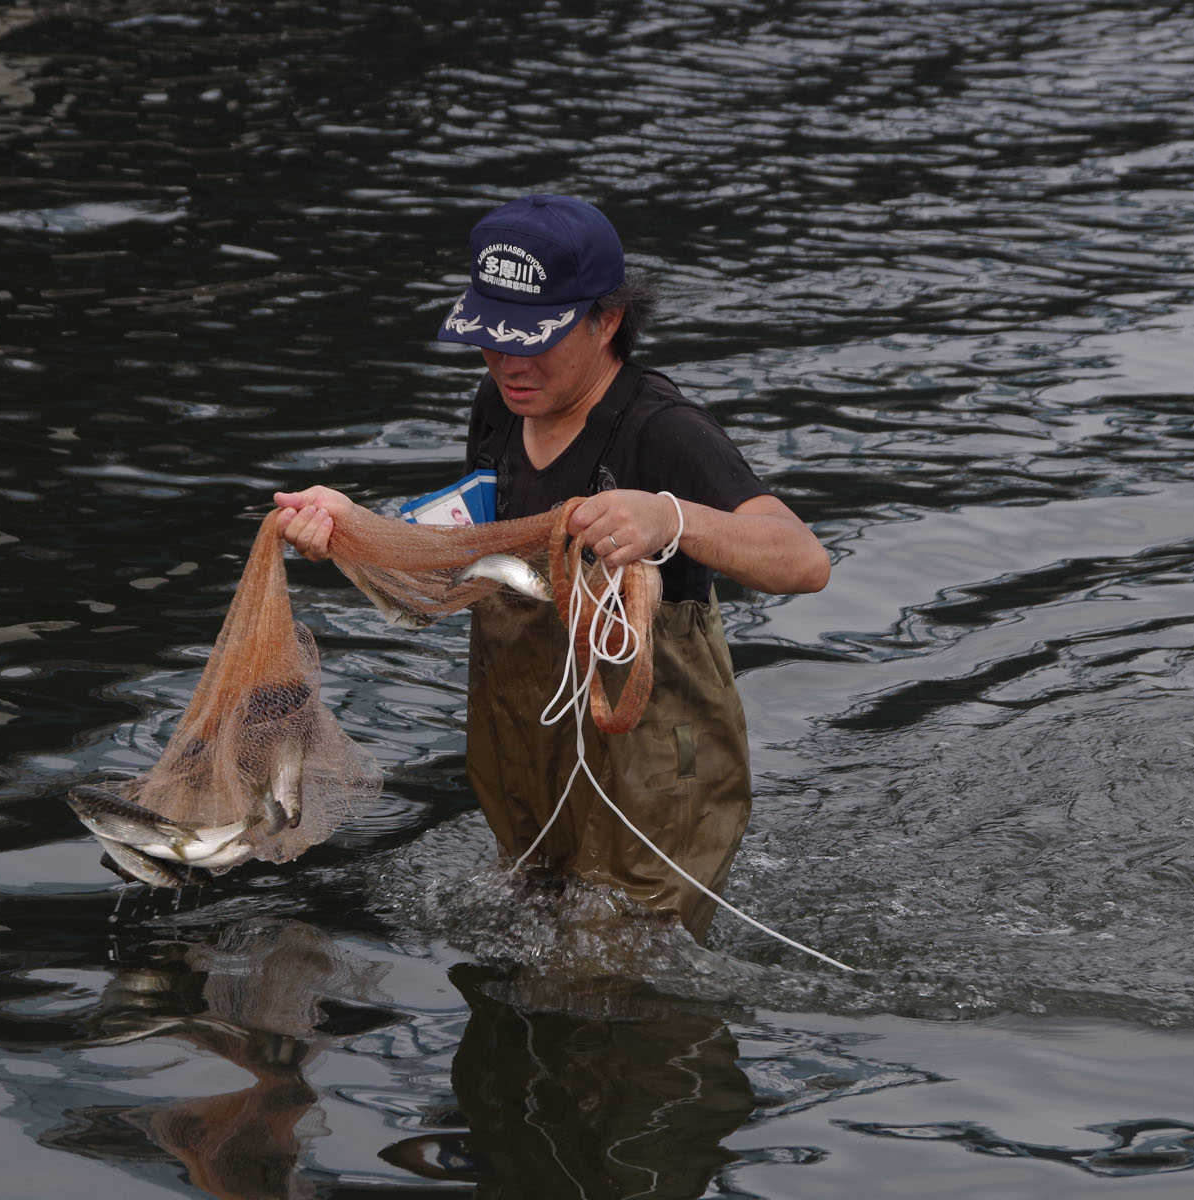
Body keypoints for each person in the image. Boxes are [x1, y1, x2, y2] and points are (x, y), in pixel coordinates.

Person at [274, 194, 830, 940]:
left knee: (629, 975)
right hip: (525, 746)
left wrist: (672, 517)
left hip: (657, 764)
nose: (507, 362)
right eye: (490, 337)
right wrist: (352, 530)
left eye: (532, 338)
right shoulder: (499, 406)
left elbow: (804, 560)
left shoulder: (664, 430)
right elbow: (464, 558)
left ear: (607, 321)